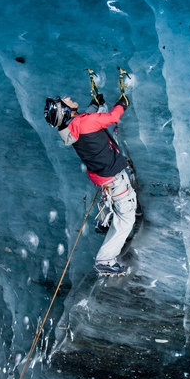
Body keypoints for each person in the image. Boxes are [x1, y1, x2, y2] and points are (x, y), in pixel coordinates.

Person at [44, 91, 137, 276]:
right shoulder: (84, 123)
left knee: (113, 194)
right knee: (127, 218)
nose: (68, 97)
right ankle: (105, 260)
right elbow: (112, 117)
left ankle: (105, 220)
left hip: (101, 174)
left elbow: (84, 118)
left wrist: (95, 104)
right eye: (65, 100)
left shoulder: (70, 127)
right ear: (66, 110)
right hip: (112, 175)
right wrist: (123, 102)